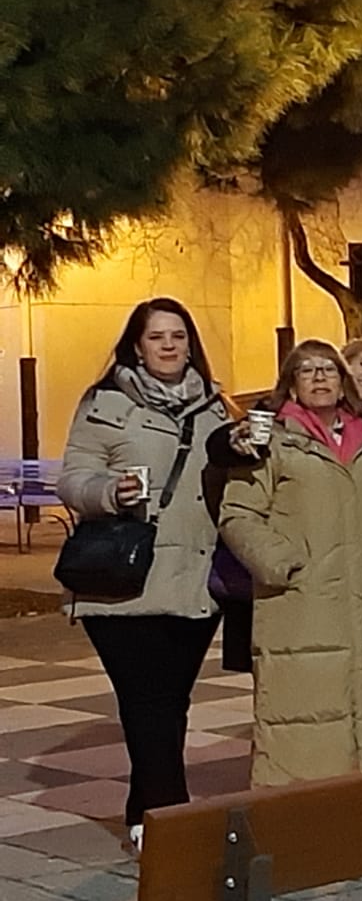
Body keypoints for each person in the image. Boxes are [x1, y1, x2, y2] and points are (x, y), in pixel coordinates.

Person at [58, 297, 231, 850]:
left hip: (191, 578)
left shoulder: (215, 409)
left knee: (169, 703)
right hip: (122, 581)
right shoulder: (106, 404)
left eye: (178, 336)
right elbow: (73, 480)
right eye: (156, 337)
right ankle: (167, 819)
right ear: (137, 345)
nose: (168, 346)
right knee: (146, 701)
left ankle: (147, 811)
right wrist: (110, 492)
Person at [219, 340, 362, 786]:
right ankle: (298, 831)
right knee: (300, 724)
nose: (319, 377)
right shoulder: (267, 442)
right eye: (306, 370)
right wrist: (283, 565)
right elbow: (237, 514)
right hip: (300, 607)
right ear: (292, 386)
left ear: (343, 383)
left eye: (328, 369)